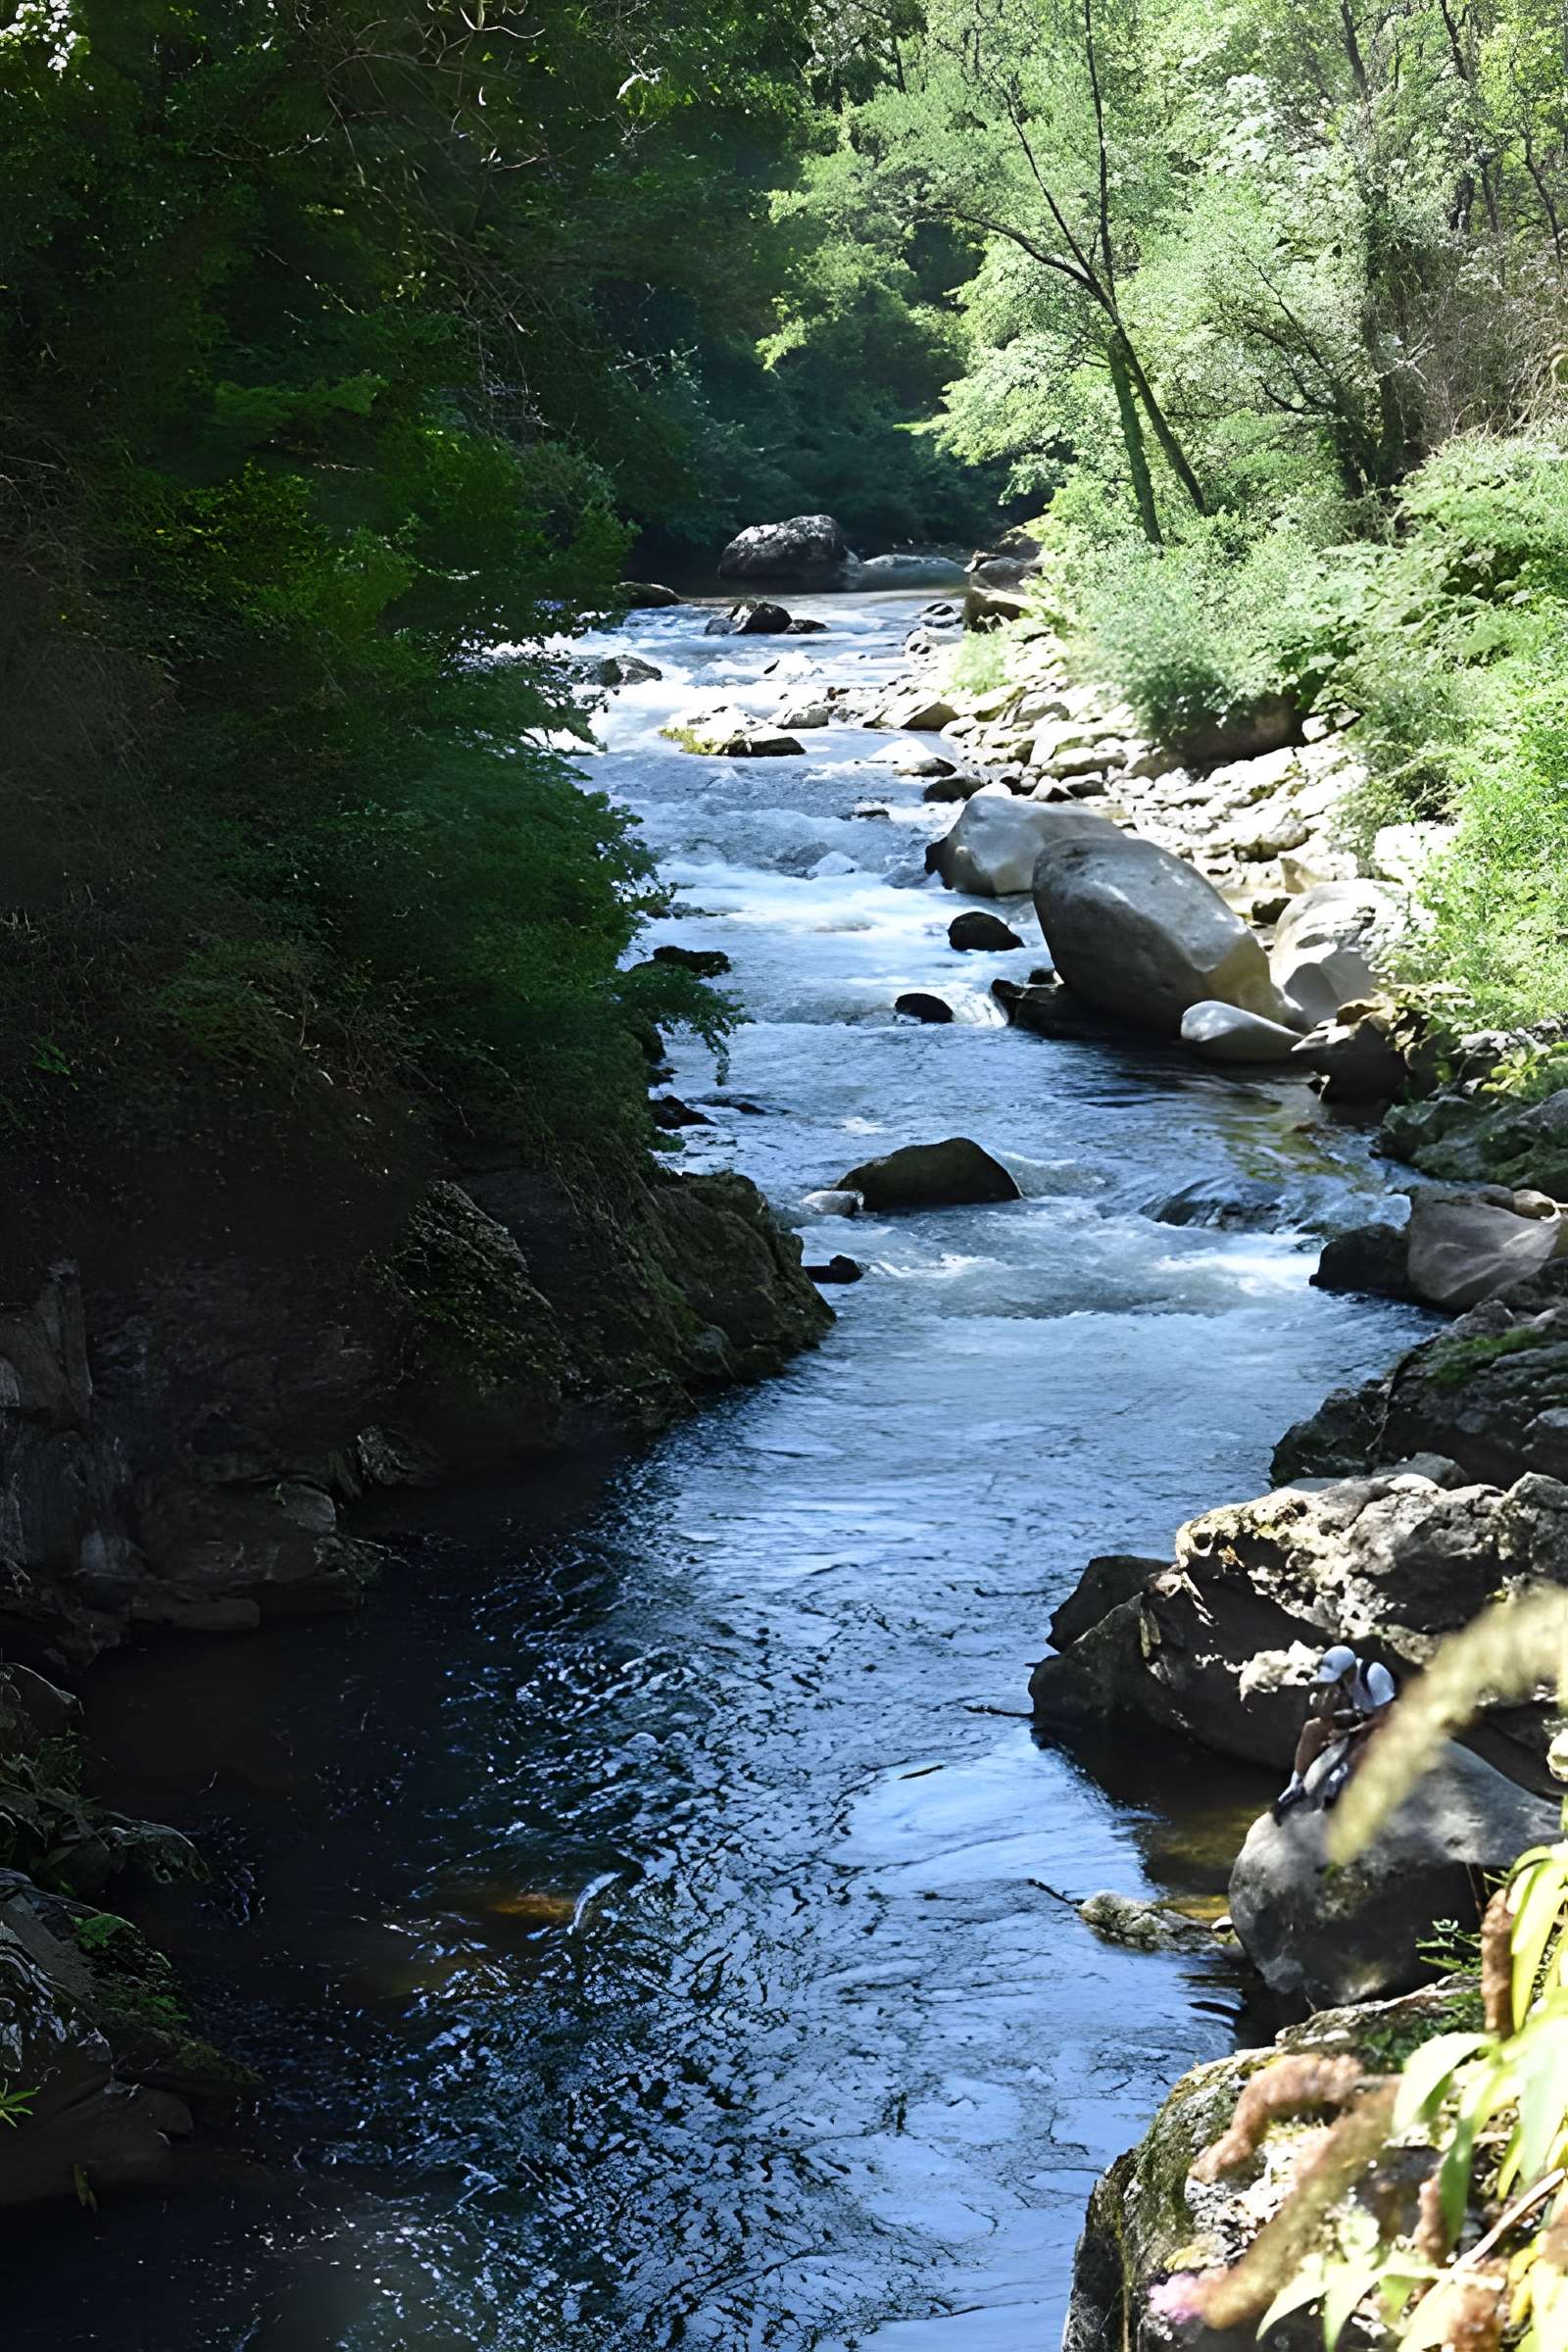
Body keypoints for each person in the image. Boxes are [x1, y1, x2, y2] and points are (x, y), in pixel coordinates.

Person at [1272, 1643, 1397, 1820]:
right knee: (1311, 1728)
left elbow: (1386, 1716)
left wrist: (1348, 1731)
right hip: (1358, 1716)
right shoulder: (1340, 1682)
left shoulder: (1373, 1674)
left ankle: (1340, 1777)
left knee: (1370, 1740)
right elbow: (1325, 1717)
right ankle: (1296, 1784)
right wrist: (1327, 1697)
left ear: (1351, 1670)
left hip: (1381, 1720)